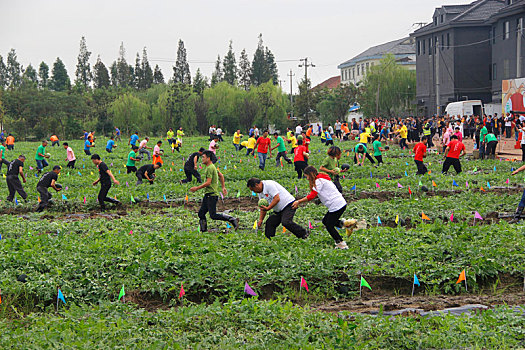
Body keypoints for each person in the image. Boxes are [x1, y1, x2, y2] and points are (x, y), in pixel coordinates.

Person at [292, 166, 349, 249]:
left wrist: (298, 201)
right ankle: (346, 224)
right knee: (325, 221)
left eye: (307, 176)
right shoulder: (321, 178)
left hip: (336, 205)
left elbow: (312, 195)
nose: (307, 178)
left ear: (311, 175)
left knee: (329, 225)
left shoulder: (319, 181)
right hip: (338, 203)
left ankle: (341, 243)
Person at [190, 150, 238, 232]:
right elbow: (221, 175)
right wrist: (223, 187)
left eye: (203, 157)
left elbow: (208, 182)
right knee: (201, 213)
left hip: (211, 195)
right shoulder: (213, 167)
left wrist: (197, 188)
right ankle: (203, 231)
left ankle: (232, 219)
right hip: (208, 194)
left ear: (208, 158)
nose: (202, 159)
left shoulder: (210, 168)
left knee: (213, 215)